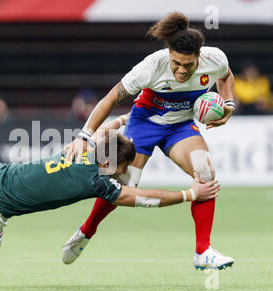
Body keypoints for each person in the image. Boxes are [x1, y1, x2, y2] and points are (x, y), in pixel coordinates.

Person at [0, 129, 220, 288]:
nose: (124, 174)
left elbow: (113, 126)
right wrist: (191, 193)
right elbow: (143, 198)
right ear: (113, 165)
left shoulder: (88, 145)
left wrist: (141, 116)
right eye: (122, 168)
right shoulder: (99, 182)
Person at [62, 12, 236, 270]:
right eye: (176, 62)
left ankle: (203, 251)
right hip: (144, 123)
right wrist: (84, 136)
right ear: (169, 54)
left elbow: (226, 76)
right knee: (124, 183)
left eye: (187, 65)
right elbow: (111, 98)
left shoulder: (215, 59)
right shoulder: (151, 66)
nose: (180, 70)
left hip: (180, 126)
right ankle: (86, 231)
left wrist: (229, 103)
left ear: (199, 57)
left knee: (206, 172)